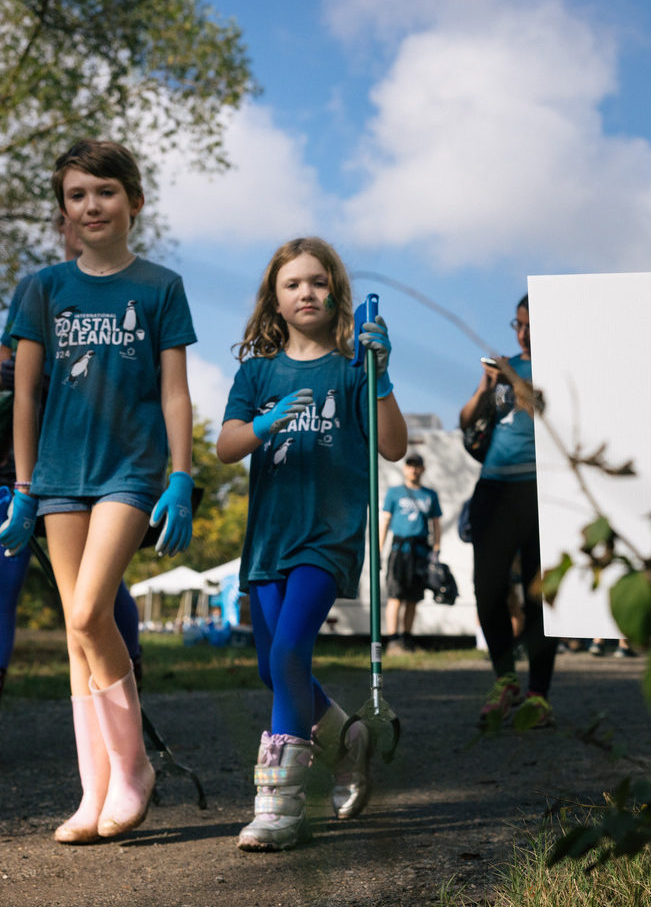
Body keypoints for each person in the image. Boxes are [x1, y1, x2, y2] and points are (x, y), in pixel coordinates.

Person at [0, 140, 196, 844]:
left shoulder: (161, 286)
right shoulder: (43, 287)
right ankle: (95, 789)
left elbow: (174, 391)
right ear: (64, 210)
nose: (91, 206)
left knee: (86, 615)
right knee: (77, 641)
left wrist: (182, 475)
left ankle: (134, 769)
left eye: (104, 192)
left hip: (129, 472)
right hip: (55, 476)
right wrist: (22, 489)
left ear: (133, 201)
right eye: (77, 195)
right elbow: (24, 397)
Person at [0, 213, 144, 767]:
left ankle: (127, 696)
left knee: (97, 589)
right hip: (22, 460)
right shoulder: (39, 288)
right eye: (71, 221)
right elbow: (0, 366)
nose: (83, 227)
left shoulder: (134, 291)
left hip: (94, 458)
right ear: (62, 230)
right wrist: (34, 370)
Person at [216, 236, 407, 852]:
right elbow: (225, 446)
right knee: (273, 665)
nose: (307, 293)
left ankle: (280, 802)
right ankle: (348, 736)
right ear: (274, 300)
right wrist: (263, 424)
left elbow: (394, 446)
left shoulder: (355, 368)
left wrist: (380, 377)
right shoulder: (257, 372)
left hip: (329, 534)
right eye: (293, 284)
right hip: (270, 535)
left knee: (291, 648)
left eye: (318, 282)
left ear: (337, 292)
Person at [461, 294, 556, 728]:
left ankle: (539, 694)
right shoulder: (501, 371)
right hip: (494, 488)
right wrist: (485, 385)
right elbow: (466, 421)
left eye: (530, 325)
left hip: (542, 489)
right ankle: (505, 681)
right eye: (517, 324)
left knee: (539, 596)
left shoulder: (560, 368)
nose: (522, 333)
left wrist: (515, 378)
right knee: (487, 589)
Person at [381, 451, 442, 655]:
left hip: (420, 550)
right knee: (395, 595)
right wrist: (379, 549)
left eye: (417, 465)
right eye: (410, 465)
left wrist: (436, 550)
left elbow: (436, 523)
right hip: (399, 550)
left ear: (423, 469)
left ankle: (407, 638)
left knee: (413, 598)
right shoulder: (394, 493)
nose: (413, 469)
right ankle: (392, 639)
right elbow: (385, 521)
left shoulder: (429, 495)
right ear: (404, 468)